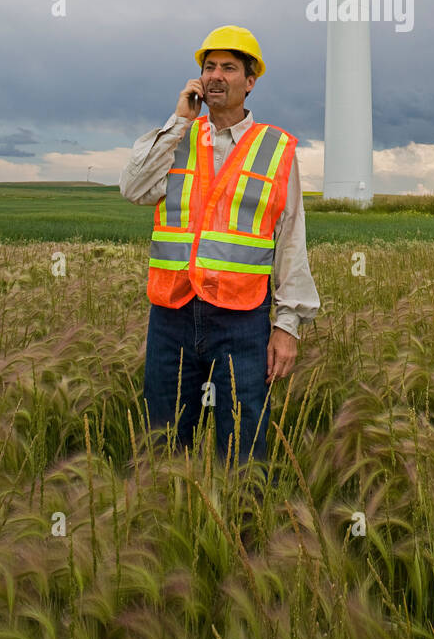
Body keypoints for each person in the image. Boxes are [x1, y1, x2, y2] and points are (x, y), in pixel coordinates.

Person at [119, 25, 320, 468]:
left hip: (242, 319)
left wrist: (287, 324)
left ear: (250, 81)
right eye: (209, 67)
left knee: (244, 443)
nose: (215, 76)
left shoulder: (275, 148)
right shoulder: (177, 138)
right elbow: (133, 189)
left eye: (229, 67)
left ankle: (243, 529)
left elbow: (290, 239)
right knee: (163, 437)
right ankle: (164, 522)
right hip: (171, 313)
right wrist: (178, 121)